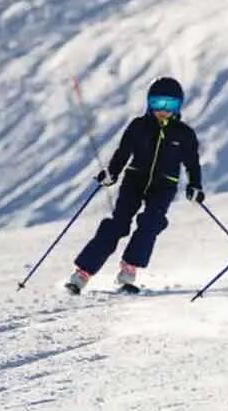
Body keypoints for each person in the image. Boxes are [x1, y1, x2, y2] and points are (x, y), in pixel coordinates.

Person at [66, 77, 204, 294]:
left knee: (151, 222)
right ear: (150, 103)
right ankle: (83, 272)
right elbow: (123, 153)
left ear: (179, 106)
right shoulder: (138, 126)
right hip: (134, 180)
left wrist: (195, 185)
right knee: (118, 224)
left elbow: (192, 163)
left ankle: (129, 269)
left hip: (164, 185)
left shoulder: (184, 133)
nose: (164, 110)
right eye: (159, 103)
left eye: (171, 105)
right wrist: (112, 172)